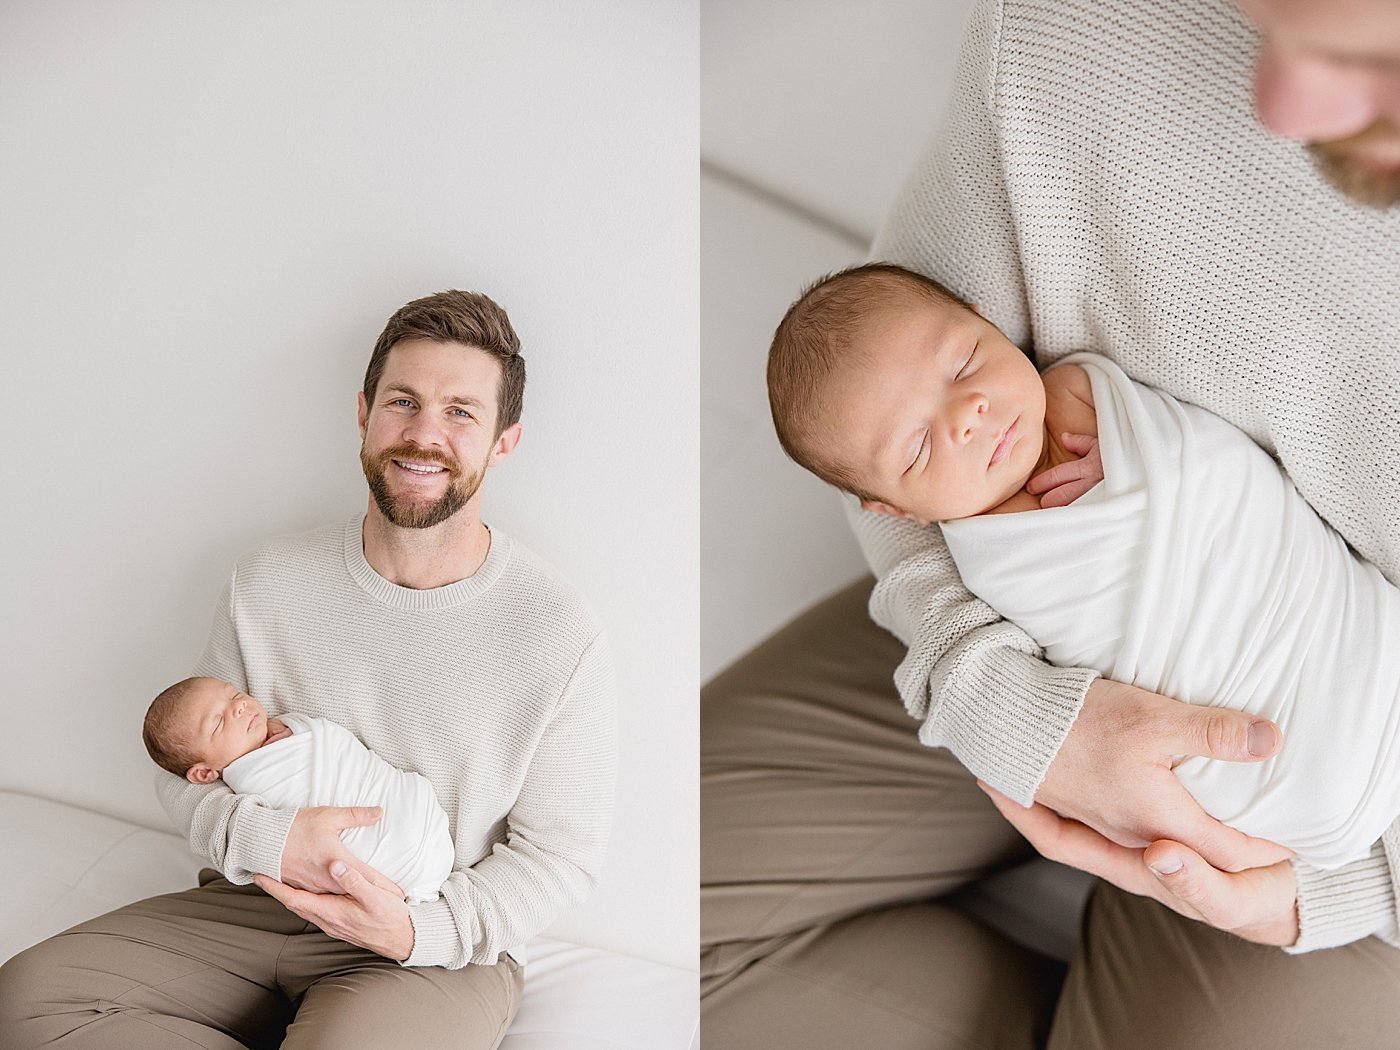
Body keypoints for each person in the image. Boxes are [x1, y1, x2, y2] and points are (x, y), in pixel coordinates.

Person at [701, 0, 1400, 1047]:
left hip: (1347, 797)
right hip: (1026, 609)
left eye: (1360, 49)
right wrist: (1014, 709)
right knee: (647, 891)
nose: (1279, 102)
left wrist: (1330, 892)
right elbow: (869, 395)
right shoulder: (1077, 29)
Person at [0, 289, 616, 1050]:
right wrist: (270, 843)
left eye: (461, 412)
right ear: (363, 413)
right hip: (257, 901)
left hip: (428, 942)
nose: (424, 435)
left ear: (504, 442)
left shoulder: (558, 632)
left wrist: (419, 929)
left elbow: (560, 856)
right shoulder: (268, 581)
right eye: (404, 401)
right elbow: (184, 766)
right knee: (26, 1002)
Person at [768, 260, 1400, 870]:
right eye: (918, 446)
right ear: (895, 512)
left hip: (1340, 633)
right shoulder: (976, 568)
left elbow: (1211, 467)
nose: (968, 415)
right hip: (1257, 763)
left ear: (984, 318)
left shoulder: (1082, 390)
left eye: (965, 363)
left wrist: (1141, 462)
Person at [142, 676, 455, 903]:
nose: (238, 707)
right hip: (383, 857)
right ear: (205, 773)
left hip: (413, 811)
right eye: (218, 723)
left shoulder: (287, 729)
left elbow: (345, 755)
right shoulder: (254, 783)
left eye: (234, 694)